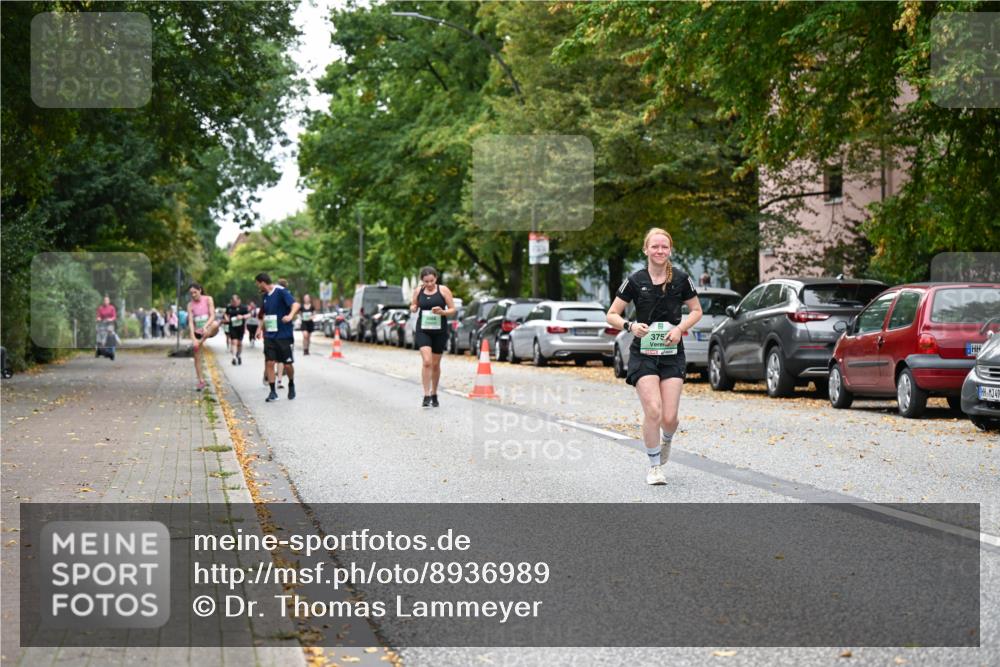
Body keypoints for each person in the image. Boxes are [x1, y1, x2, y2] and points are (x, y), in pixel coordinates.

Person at [606, 228, 702, 485]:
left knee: (669, 418)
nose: (660, 251)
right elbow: (612, 314)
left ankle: (666, 440)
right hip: (644, 354)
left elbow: (696, 310)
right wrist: (630, 326)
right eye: (655, 246)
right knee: (653, 410)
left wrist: (680, 329)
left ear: (670, 250)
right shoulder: (635, 280)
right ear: (646, 250)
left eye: (664, 247)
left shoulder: (681, 279)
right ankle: (654, 466)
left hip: (672, 354)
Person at [409, 266, 457, 407]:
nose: (429, 284)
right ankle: (426, 395)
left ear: (436, 278)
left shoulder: (443, 290)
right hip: (423, 330)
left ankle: (434, 393)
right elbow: (413, 305)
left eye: (431, 280)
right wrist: (413, 308)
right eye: (426, 281)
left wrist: (443, 312)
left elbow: (453, 309)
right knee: (427, 361)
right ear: (422, 281)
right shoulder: (418, 291)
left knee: (435, 364)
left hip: (439, 331)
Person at [255, 273, 299, 402]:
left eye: (258, 284)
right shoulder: (265, 296)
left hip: (284, 335)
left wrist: (290, 316)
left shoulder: (280, 291)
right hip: (269, 335)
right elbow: (264, 315)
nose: (258, 286)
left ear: (262, 282)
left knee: (287, 365)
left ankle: (291, 383)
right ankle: (273, 392)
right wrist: (259, 329)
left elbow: (295, 305)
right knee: (270, 362)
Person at [187, 282, 221, 391]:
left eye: (195, 292)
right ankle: (201, 381)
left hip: (209, 329)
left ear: (200, 290)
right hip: (198, 332)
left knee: (215, 324)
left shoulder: (208, 299)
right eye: (191, 293)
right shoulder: (190, 305)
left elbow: (213, 315)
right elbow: (191, 323)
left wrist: (205, 327)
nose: (193, 295)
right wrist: (193, 338)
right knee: (196, 355)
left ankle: (201, 341)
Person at [224, 294, 249, 365]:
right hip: (232, 327)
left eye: (235, 301)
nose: (234, 303)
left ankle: (239, 355)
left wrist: (242, 316)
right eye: (233, 301)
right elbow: (226, 314)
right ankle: (234, 357)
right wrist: (227, 318)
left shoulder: (243, 307)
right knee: (234, 342)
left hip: (241, 327)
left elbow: (249, 315)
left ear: (239, 300)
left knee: (239, 343)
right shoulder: (229, 307)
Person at [95, 295, 118, 359]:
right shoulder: (100, 308)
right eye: (105, 300)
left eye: (107, 300)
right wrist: (98, 318)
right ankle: (99, 350)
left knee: (110, 334)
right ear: (103, 301)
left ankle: (111, 350)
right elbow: (98, 316)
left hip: (110, 323)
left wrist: (111, 319)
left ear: (109, 301)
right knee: (99, 334)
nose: (105, 301)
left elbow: (114, 316)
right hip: (102, 324)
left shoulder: (112, 308)